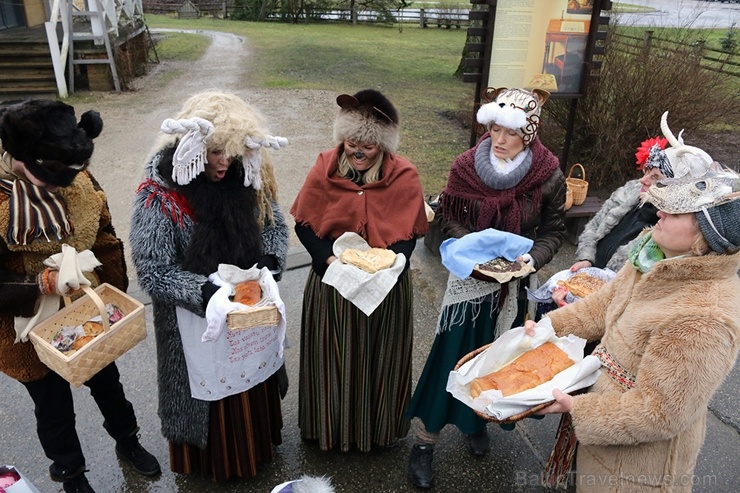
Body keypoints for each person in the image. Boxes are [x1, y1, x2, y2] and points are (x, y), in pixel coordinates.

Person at [526, 165, 740, 493]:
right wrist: (545, 329)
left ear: (705, 236)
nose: (661, 211)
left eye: (678, 211)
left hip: (638, 472)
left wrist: (578, 408)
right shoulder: (651, 257)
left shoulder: (705, 319)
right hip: (604, 441)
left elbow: (660, 412)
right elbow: (603, 305)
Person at [405, 87, 566, 489]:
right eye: (493, 128)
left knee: (499, 359)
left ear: (528, 134)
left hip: (515, 283)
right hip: (469, 284)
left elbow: (553, 230)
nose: (498, 138)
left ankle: (477, 421)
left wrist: (531, 260)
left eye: (509, 132)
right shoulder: (466, 166)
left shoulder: (547, 174)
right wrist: (472, 253)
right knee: (451, 357)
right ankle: (425, 442)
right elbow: (449, 216)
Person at [0, 99, 160, 493]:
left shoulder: (77, 179)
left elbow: (104, 236)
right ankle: (71, 474)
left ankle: (128, 442)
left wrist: (110, 291)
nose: (58, 187)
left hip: (86, 309)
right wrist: (41, 284)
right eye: (48, 177)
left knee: (109, 384)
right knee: (52, 407)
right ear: (18, 156)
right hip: (25, 325)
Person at [129, 91, 289, 482]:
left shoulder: (248, 178)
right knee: (207, 392)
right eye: (215, 151)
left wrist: (269, 261)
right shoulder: (159, 197)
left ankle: (255, 447)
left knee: (249, 374)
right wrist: (203, 292)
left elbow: (275, 227)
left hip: (246, 311)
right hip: (194, 321)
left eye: (231, 152)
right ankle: (213, 463)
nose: (224, 162)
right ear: (190, 146)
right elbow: (152, 271)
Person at [290, 89, 429, 452]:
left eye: (367, 145)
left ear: (382, 145)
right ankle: (329, 429)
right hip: (332, 285)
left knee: (379, 361)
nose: (358, 151)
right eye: (352, 142)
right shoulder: (324, 167)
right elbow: (305, 225)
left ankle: (377, 431)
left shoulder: (405, 175)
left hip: (386, 287)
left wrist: (391, 264)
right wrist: (332, 263)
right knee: (331, 360)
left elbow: (409, 232)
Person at [550, 112, 716, 308]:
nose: (643, 180)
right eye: (647, 170)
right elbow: (595, 226)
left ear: (677, 189)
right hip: (588, 289)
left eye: (656, 177)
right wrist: (587, 259)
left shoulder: (672, 232)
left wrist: (589, 307)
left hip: (610, 310)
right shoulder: (631, 191)